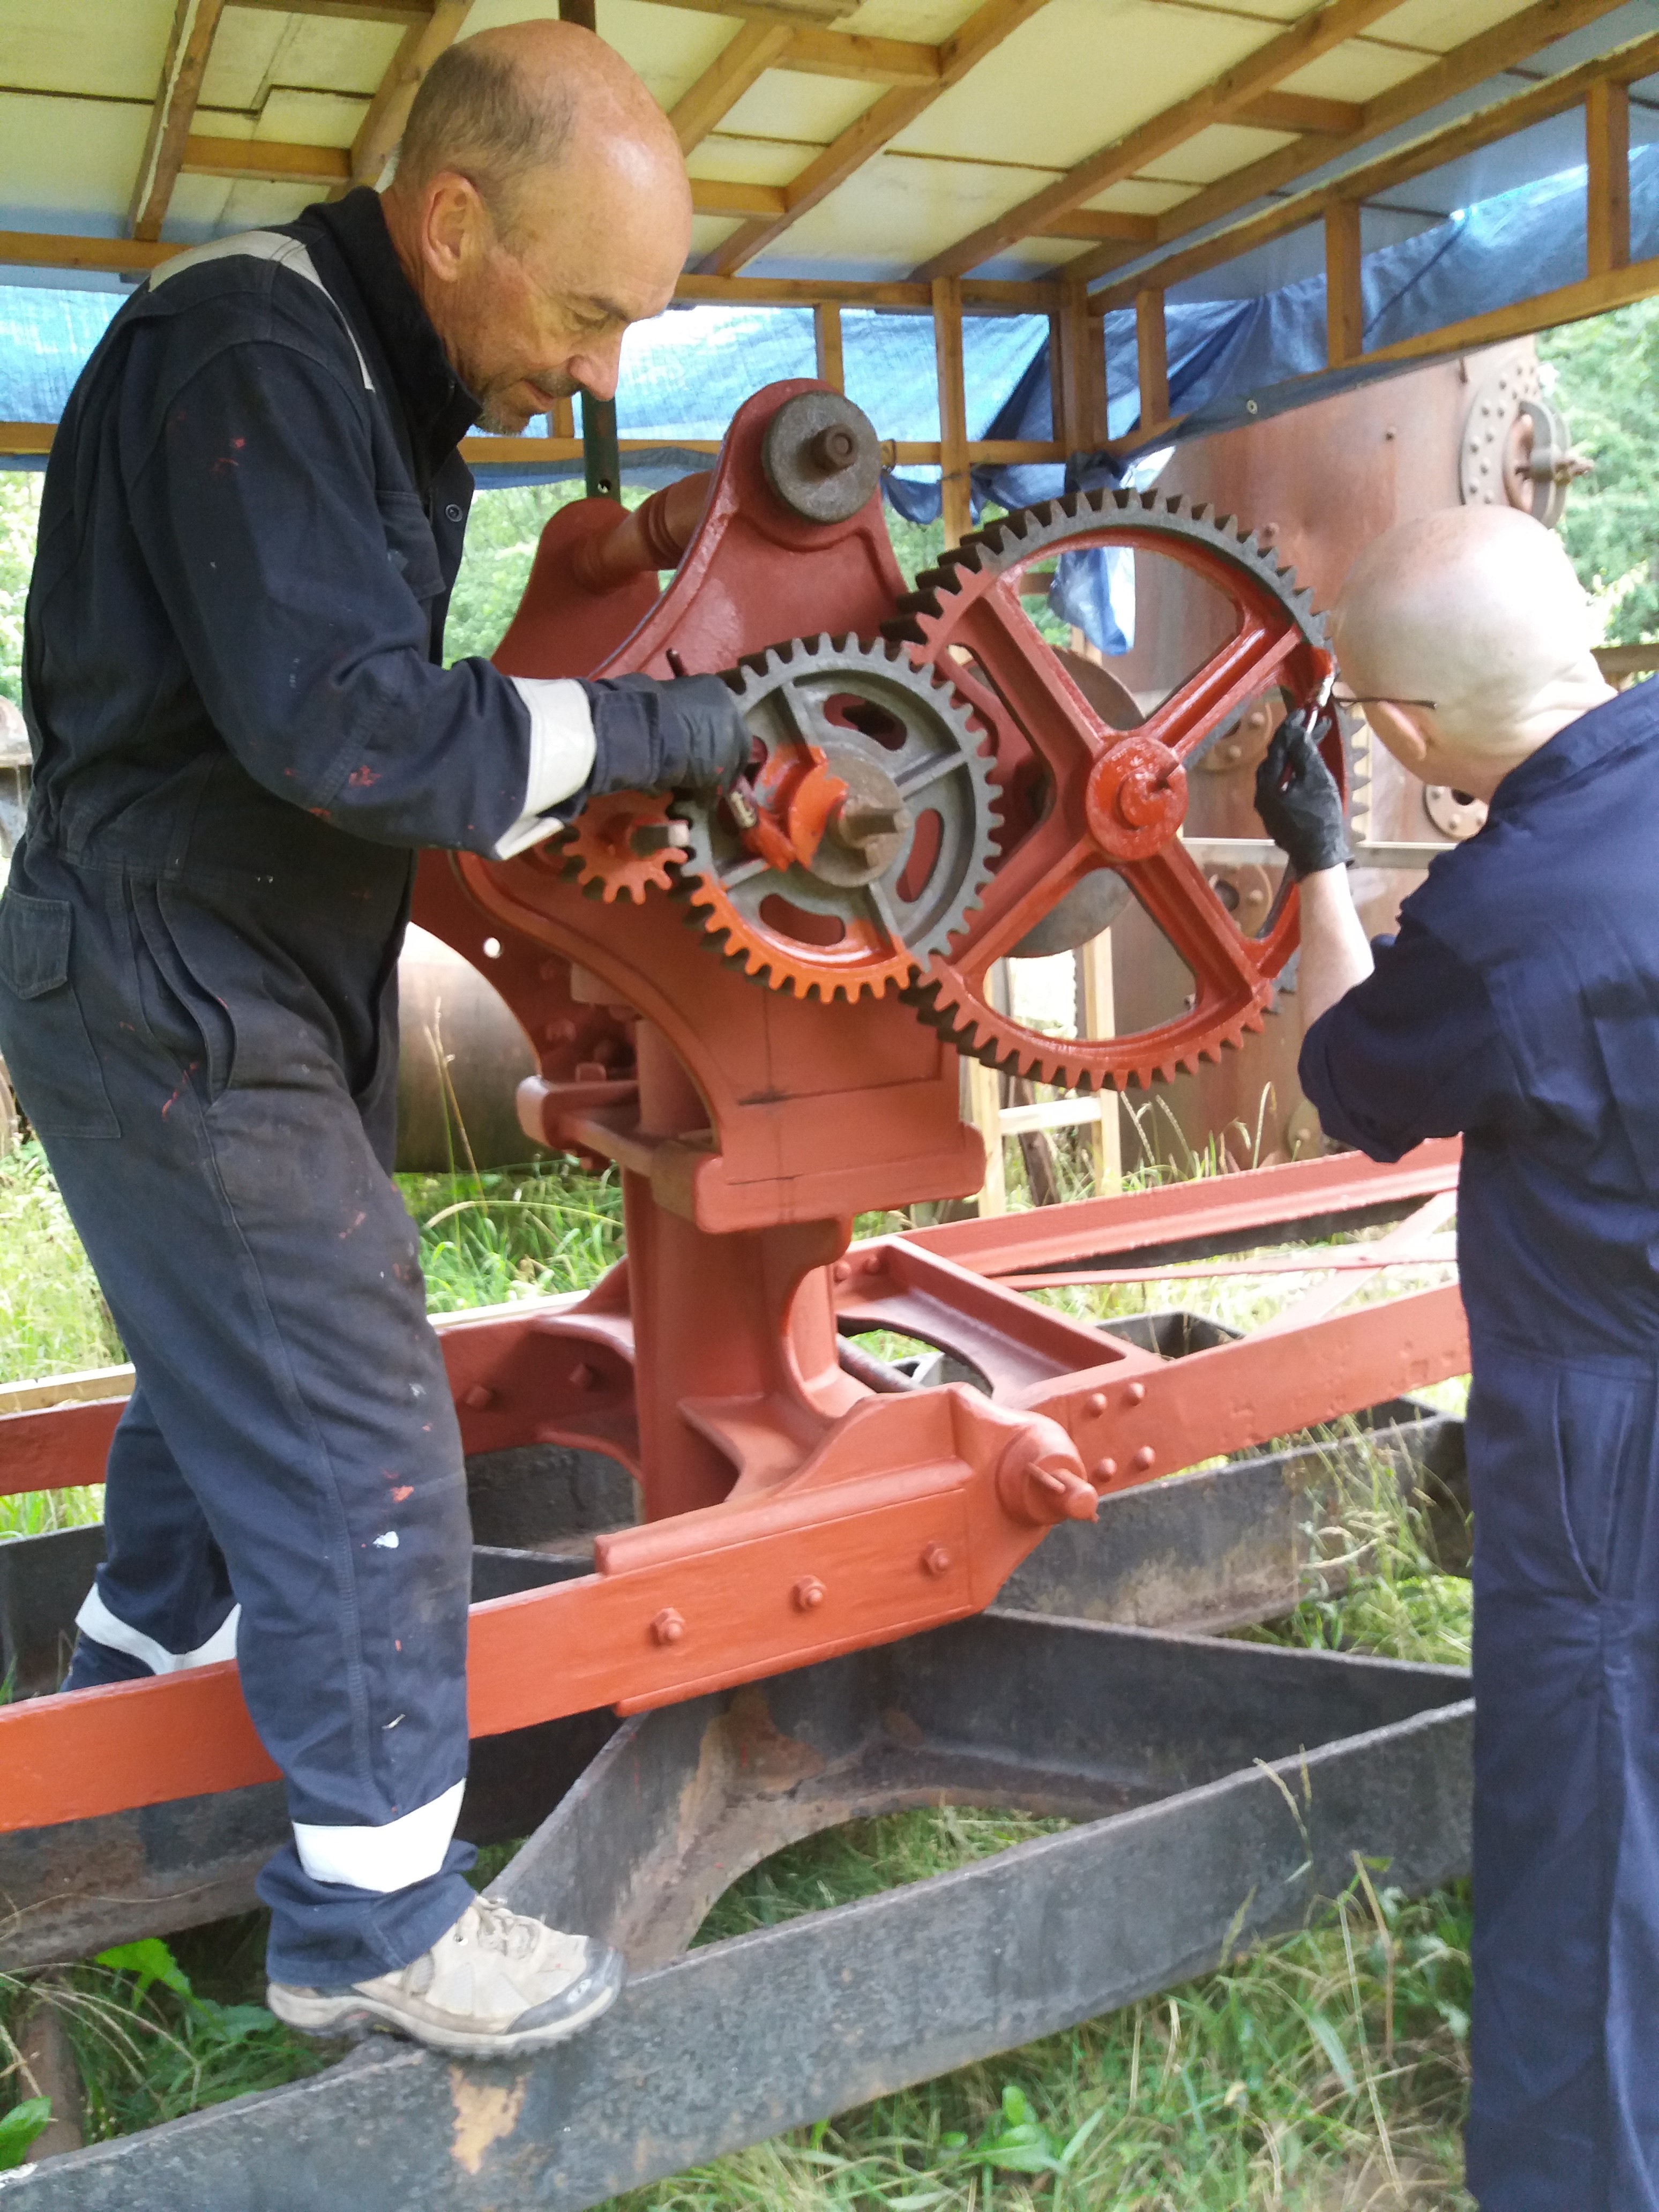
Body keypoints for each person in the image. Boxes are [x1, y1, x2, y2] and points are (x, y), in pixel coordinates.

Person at [0, 21, 753, 2060]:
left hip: (221, 967)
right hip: (176, 978)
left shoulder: (354, 374)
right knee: (354, 1430)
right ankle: (377, 1923)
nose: (598, 374)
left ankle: (113, 1725)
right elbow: (346, 728)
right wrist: (664, 732)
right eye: (589, 313)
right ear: (451, 224)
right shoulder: (258, 354)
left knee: (217, 1382)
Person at [1253, 500, 1659, 2210]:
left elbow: (1341, 1085)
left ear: (1401, 737)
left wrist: (1319, 861)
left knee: (1589, 1812)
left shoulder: (1499, 920)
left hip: (1606, 1435)